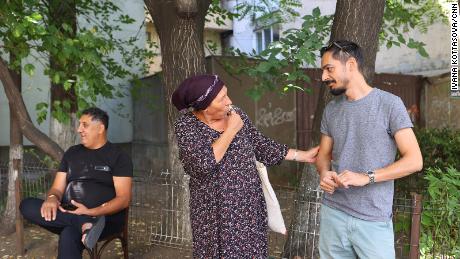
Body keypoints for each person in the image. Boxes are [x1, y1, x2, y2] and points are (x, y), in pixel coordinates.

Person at [172, 74, 319, 258]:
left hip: (248, 207)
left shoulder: (236, 113)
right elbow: (201, 163)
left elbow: (260, 145)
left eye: (227, 94)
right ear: (205, 107)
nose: (230, 101)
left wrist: (302, 155)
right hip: (214, 212)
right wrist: (231, 129)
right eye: (222, 98)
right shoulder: (187, 125)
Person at [316, 40, 423, 259]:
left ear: (351, 65)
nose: (324, 77)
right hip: (333, 214)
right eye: (323, 71)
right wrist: (324, 173)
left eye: (329, 69)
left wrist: (367, 177)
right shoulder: (331, 110)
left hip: (373, 221)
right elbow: (323, 156)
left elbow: (414, 160)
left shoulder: (390, 104)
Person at [20, 107, 133, 259]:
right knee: (26, 205)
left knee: (68, 233)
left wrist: (91, 212)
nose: (79, 129)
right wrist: (52, 198)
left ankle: (85, 223)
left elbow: (123, 199)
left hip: (103, 219)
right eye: (79, 124)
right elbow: (57, 188)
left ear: (100, 128)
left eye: (84, 125)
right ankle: (84, 225)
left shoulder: (119, 157)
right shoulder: (72, 153)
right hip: (69, 213)